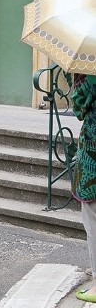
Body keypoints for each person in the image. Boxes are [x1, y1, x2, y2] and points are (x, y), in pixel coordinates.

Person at [73, 74, 96, 303]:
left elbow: (78, 107)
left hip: (93, 156)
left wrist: (78, 80)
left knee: (93, 218)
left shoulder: (91, 72)